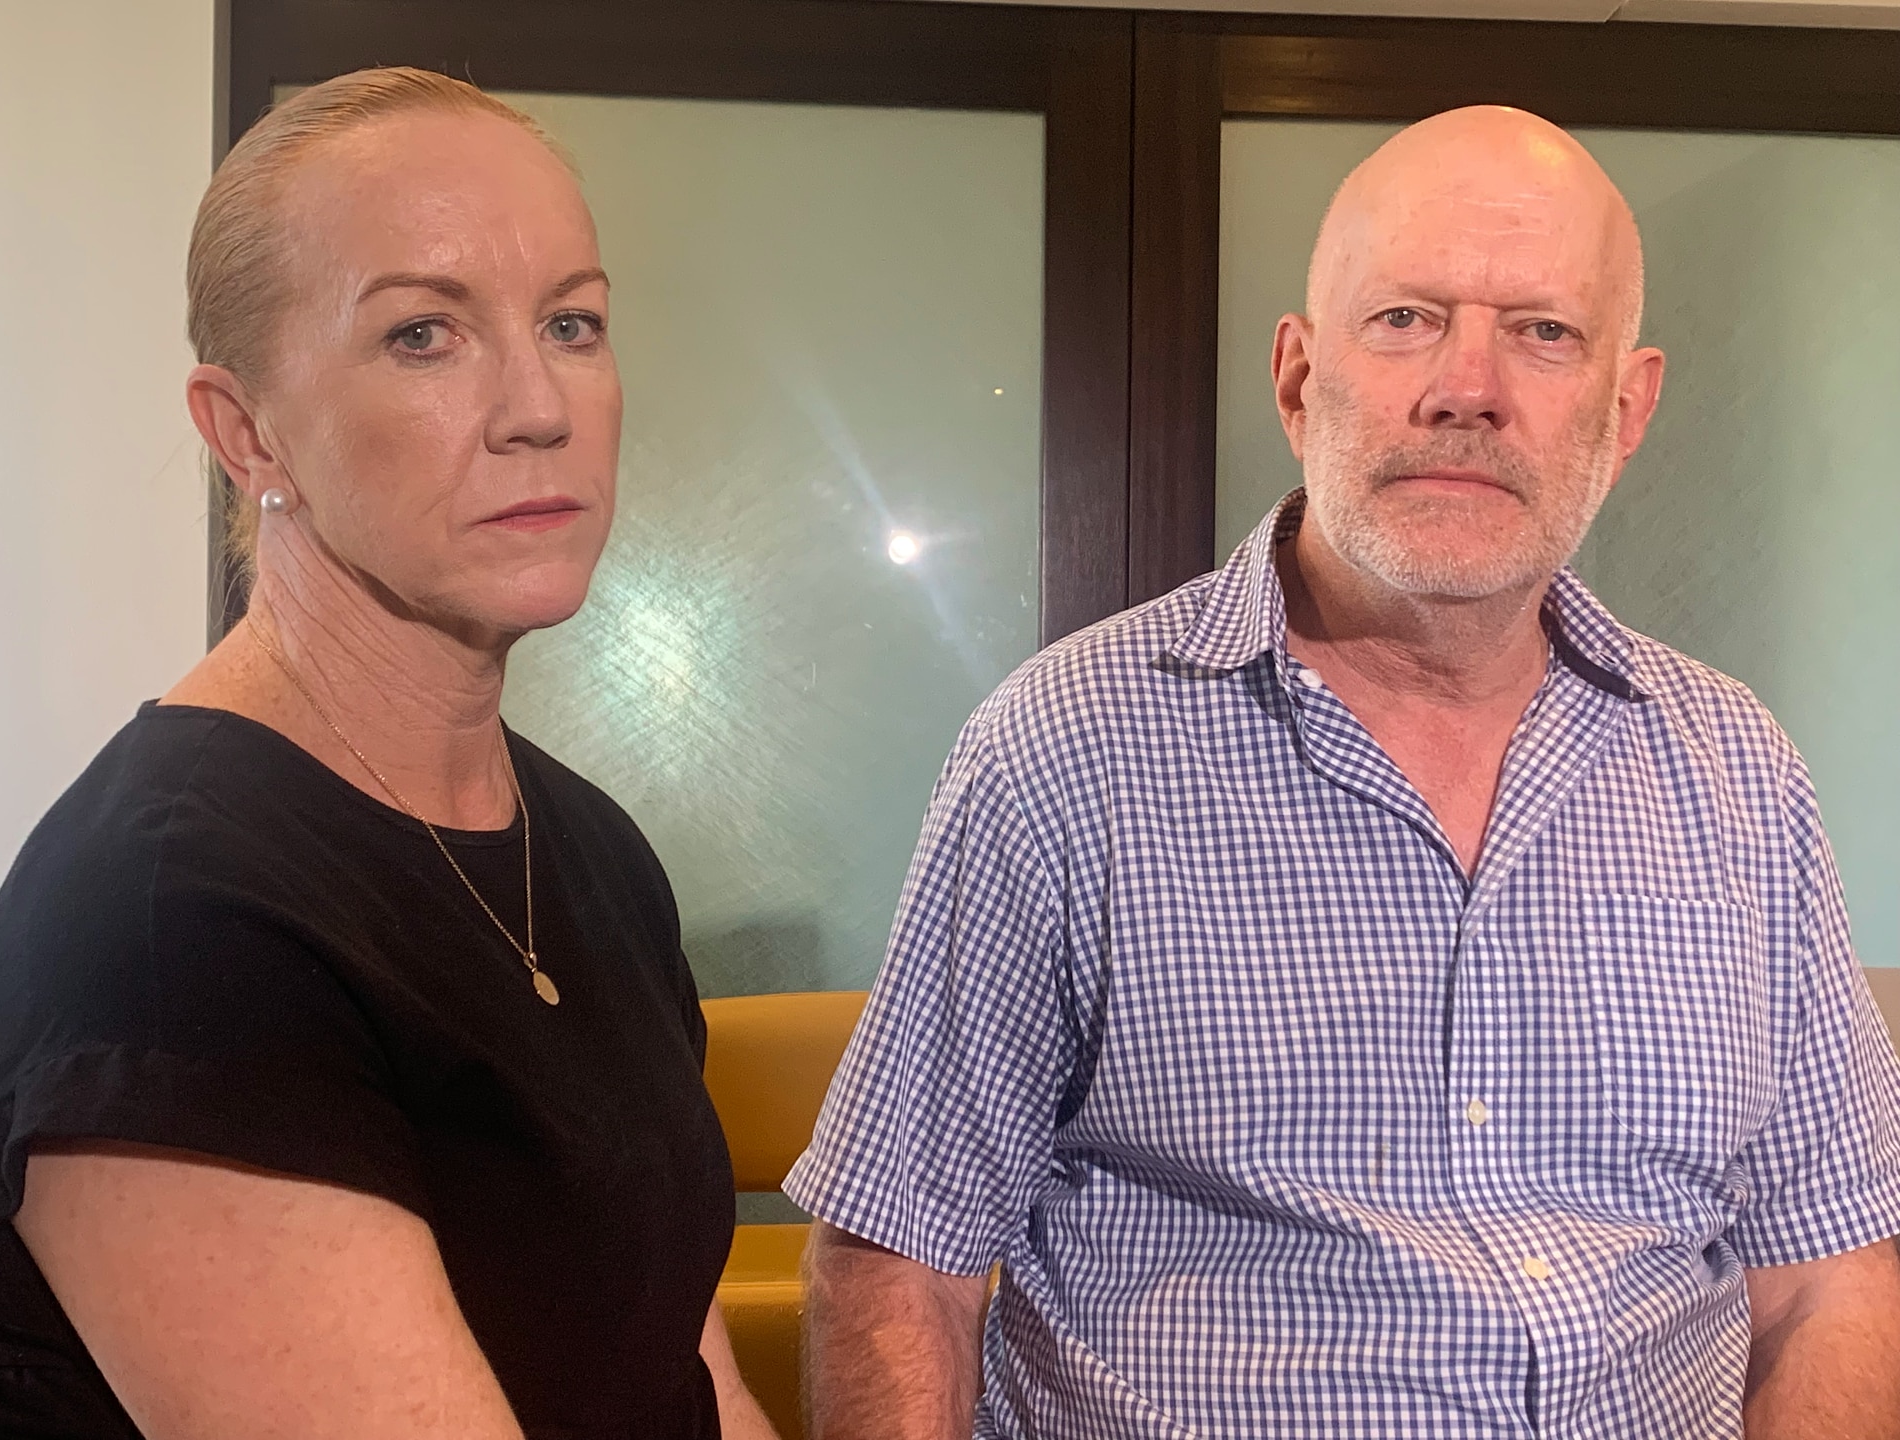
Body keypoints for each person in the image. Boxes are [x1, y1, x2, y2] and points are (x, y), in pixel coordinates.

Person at [785, 105, 1900, 1439]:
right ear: (1298, 377)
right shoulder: (1066, 749)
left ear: (1629, 405)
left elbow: (1830, 1272)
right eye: (1406, 318)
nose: (1467, 387)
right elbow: (899, 1264)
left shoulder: (1739, 772)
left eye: (1544, 332)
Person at [0, 68, 777, 1440]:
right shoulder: (171, 917)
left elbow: (692, 1379)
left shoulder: (592, 850)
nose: (539, 405)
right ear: (247, 431)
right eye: (424, 335)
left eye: (572, 323)